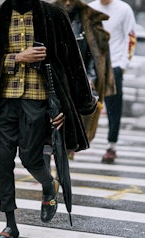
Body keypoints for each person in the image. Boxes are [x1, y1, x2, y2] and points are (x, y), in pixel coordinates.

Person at [0, 0, 97, 238]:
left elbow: (72, 62)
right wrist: (18, 57)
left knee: (31, 158)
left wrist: (71, 106)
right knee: (2, 160)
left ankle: (49, 185)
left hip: (38, 101)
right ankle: (10, 225)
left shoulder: (54, 15)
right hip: (2, 102)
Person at [44, 0, 116, 163]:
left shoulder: (89, 20)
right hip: (52, 76)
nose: (68, 3)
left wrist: (90, 78)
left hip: (78, 79)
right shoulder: (48, 16)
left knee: (75, 118)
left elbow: (95, 55)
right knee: (49, 119)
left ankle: (68, 149)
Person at [88, 0, 136, 164]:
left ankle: (111, 146)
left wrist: (122, 65)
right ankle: (74, 144)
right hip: (92, 65)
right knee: (83, 104)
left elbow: (131, 38)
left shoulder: (124, 9)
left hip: (114, 65)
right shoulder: (91, 8)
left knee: (114, 109)